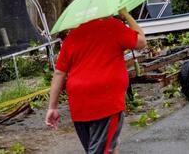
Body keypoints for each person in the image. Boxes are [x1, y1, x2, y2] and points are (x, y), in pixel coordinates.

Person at [46, 8, 147, 154]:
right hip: (106, 102)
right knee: (101, 151)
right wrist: (125, 14)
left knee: (105, 148)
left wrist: (52, 107)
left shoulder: (73, 35)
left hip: (79, 105)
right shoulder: (113, 26)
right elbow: (142, 41)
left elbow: (59, 72)